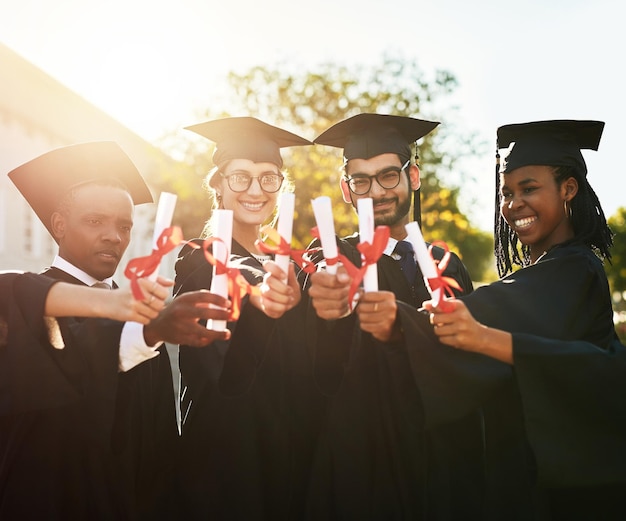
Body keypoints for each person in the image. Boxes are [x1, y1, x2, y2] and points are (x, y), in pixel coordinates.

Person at [378, 119, 626, 519]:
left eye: (529, 189)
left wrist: (398, 321)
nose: (513, 205)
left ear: (568, 189)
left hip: (566, 493)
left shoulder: (573, 268)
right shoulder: (552, 268)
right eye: (507, 193)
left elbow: (492, 310)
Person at [3, 141, 231, 520]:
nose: (114, 236)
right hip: (49, 500)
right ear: (59, 225)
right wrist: (146, 328)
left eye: (124, 226)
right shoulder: (24, 303)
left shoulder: (144, 314)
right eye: (95, 221)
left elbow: (158, 433)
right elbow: (78, 355)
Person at [303, 113, 480, 520]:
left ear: (413, 176)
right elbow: (314, 344)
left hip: (441, 464)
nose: (375, 192)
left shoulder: (446, 265)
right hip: (363, 469)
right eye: (360, 181)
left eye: (388, 175)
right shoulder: (332, 258)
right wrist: (330, 302)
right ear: (346, 191)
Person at [174, 117, 325, 520]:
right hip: (225, 460)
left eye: (268, 178)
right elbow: (208, 355)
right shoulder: (197, 258)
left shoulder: (293, 267)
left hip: (287, 454)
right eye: (240, 177)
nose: (255, 190)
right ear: (218, 185)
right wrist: (258, 297)